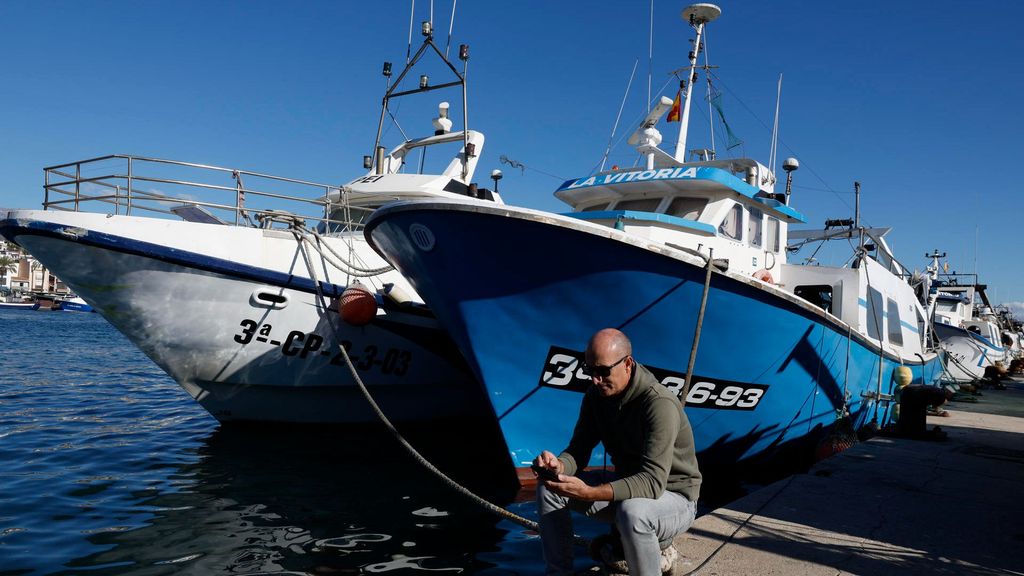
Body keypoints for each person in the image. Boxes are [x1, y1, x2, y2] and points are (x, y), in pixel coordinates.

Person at [534, 328, 702, 576]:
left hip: (674, 498)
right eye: (589, 370)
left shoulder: (659, 404)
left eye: (602, 371)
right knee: (549, 487)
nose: (595, 379)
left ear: (628, 364)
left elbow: (653, 482)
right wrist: (557, 466)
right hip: (628, 491)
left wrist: (590, 493)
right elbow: (578, 451)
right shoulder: (595, 396)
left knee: (633, 512)